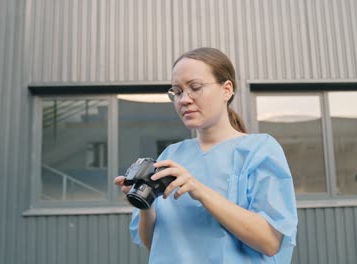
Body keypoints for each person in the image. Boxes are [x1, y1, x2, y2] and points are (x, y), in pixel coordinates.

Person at [114, 47, 298, 263]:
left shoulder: (259, 150)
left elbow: (270, 242)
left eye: (195, 87)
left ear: (226, 90)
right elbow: (153, 244)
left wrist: (198, 189)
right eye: (178, 91)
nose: (184, 99)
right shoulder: (171, 154)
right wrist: (144, 203)